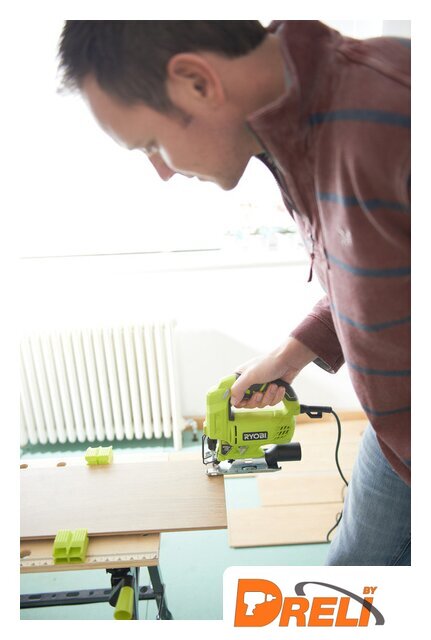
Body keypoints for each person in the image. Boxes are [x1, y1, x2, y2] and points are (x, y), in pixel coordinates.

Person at [58, 20, 411, 565]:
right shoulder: (295, 136)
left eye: (152, 144)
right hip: (395, 434)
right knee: (349, 580)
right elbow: (379, 269)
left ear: (198, 82)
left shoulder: (397, 114)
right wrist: (292, 354)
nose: (163, 172)